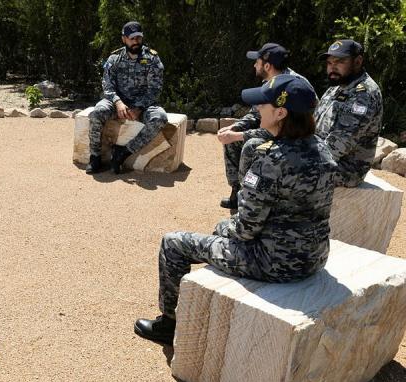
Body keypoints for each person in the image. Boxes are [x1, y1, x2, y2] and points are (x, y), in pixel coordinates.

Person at [134, 75, 336, 345]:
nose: (256, 111)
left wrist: (224, 227)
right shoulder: (323, 150)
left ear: (280, 113)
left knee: (173, 243)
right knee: (221, 231)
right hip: (315, 255)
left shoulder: (270, 160)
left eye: (262, 106)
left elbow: (245, 229)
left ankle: (169, 325)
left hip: (275, 263)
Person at [217, 43, 312, 209]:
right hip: (277, 131)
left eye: (257, 62)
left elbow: (280, 128)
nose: (254, 65)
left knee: (250, 145)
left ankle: (249, 199)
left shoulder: (291, 86)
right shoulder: (270, 81)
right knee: (232, 138)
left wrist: (240, 135)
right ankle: (237, 191)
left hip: (292, 139)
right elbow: (256, 114)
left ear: (267, 66)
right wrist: (235, 128)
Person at [85, 21, 168, 175]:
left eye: (138, 38)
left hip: (143, 104)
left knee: (160, 118)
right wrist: (117, 102)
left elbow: (155, 89)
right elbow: (107, 85)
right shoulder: (114, 58)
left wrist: (139, 107)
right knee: (97, 113)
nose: (136, 41)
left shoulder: (152, 58)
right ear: (124, 39)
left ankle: (123, 152)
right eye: (132, 38)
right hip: (117, 102)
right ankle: (95, 157)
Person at [315, 39, 383, 187]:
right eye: (329, 63)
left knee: (280, 170)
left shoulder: (364, 94)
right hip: (322, 157)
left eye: (339, 62)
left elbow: (338, 145)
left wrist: (299, 157)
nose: (332, 68)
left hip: (346, 169)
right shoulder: (337, 87)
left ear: (358, 62)